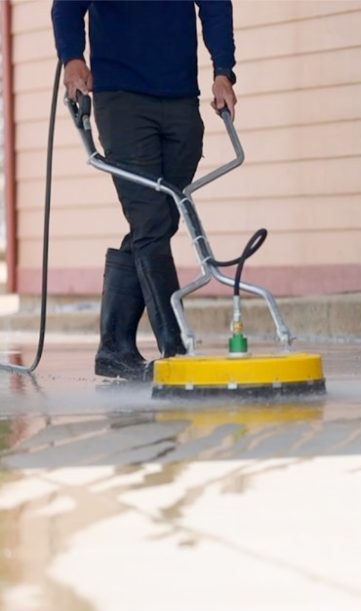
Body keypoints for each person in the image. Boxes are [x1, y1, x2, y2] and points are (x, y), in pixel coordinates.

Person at [51, 0, 238, 380]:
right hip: (123, 100)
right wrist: (72, 58)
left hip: (182, 99)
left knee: (159, 219)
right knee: (151, 221)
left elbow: (216, 6)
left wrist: (223, 72)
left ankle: (115, 347)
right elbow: (67, 8)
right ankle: (176, 349)